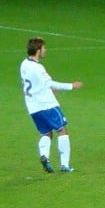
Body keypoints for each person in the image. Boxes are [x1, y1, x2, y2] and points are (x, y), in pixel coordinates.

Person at [21, 37, 83, 173]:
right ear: (38, 50)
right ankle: (65, 165)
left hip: (33, 107)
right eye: (44, 48)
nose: (45, 51)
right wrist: (71, 86)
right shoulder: (38, 68)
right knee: (62, 129)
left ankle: (44, 156)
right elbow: (50, 83)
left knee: (46, 132)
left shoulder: (24, 64)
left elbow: (39, 82)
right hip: (47, 105)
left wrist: (48, 88)